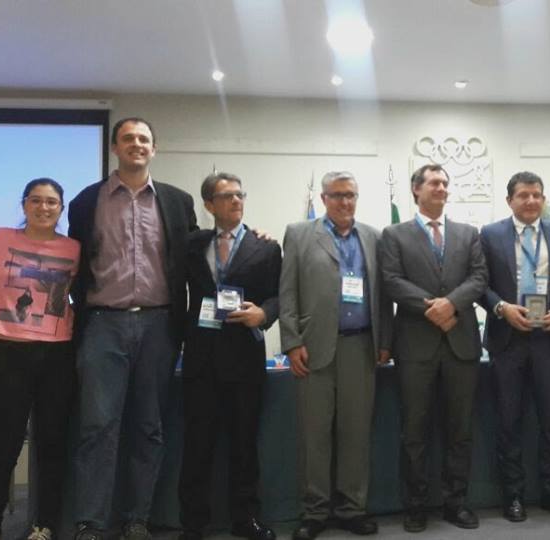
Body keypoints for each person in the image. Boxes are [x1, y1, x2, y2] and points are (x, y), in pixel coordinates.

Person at [68, 117, 198, 540]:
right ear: (114, 148)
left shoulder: (177, 202)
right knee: (97, 426)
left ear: (154, 149)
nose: (136, 144)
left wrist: (251, 236)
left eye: (144, 139)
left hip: (160, 325)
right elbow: (73, 261)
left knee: (149, 427)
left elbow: (198, 257)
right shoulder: (87, 201)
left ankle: (137, 518)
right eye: (128, 138)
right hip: (102, 324)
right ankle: (91, 521)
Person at [279, 172, 391, 540]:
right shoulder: (299, 234)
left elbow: (383, 294)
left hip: (361, 346)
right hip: (313, 348)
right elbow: (288, 291)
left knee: (356, 434)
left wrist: (385, 340)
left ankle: (352, 509)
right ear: (324, 198)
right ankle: (314, 512)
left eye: (351, 195)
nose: (345, 202)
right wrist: (292, 341)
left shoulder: (373, 237)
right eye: (338, 195)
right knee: (315, 436)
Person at [379, 164, 488, 532]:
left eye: (445, 183)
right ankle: (415, 506)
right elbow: (391, 280)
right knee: (415, 432)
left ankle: (456, 503)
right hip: (415, 346)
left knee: (460, 430)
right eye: (434, 183)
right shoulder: (394, 234)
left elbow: (479, 277)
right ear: (416, 190)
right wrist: (433, 307)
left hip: (461, 343)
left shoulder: (468, 233)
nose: (441, 188)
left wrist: (450, 304)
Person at [177, 173, 281, 540]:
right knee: (197, 445)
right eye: (226, 196)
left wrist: (264, 314)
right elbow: (175, 290)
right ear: (209, 205)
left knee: (244, 444)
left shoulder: (265, 247)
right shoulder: (192, 244)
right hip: (201, 358)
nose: (236, 200)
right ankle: (193, 523)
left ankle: (246, 519)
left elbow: (279, 295)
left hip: (244, 357)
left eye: (240, 194)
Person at [0, 179, 80, 540]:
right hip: (4, 357)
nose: (43, 207)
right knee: (3, 448)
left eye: (51, 202)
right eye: (35, 200)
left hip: (56, 358)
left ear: (61, 208)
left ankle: (44, 525)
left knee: (52, 446)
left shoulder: (74, 249)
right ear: (24, 205)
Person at [479, 171, 550, 522]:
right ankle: (513, 496)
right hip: (508, 340)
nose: (531, 201)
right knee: (509, 422)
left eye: (537, 195)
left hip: (548, 340)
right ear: (510, 200)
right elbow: (480, 284)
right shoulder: (490, 234)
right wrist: (502, 309)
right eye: (523, 195)